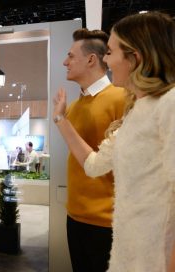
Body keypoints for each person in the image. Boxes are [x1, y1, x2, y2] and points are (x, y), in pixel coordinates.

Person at [53, 11, 175, 272]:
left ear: (135, 57)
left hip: (136, 241)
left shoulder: (166, 105)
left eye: (111, 52)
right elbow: (94, 163)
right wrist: (61, 119)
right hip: (121, 239)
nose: (107, 61)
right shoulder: (138, 108)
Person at [59, 28, 127, 272]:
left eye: (70, 56)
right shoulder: (74, 106)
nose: (65, 62)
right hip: (75, 216)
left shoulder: (123, 97)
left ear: (91, 59)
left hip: (108, 222)